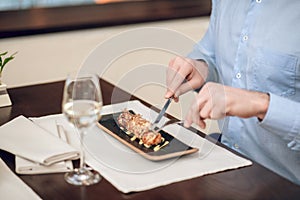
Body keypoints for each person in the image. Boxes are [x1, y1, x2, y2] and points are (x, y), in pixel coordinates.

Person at [165, 0, 300, 185]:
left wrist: (260, 104)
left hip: (285, 183)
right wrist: (201, 68)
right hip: (227, 159)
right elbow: (209, 52)